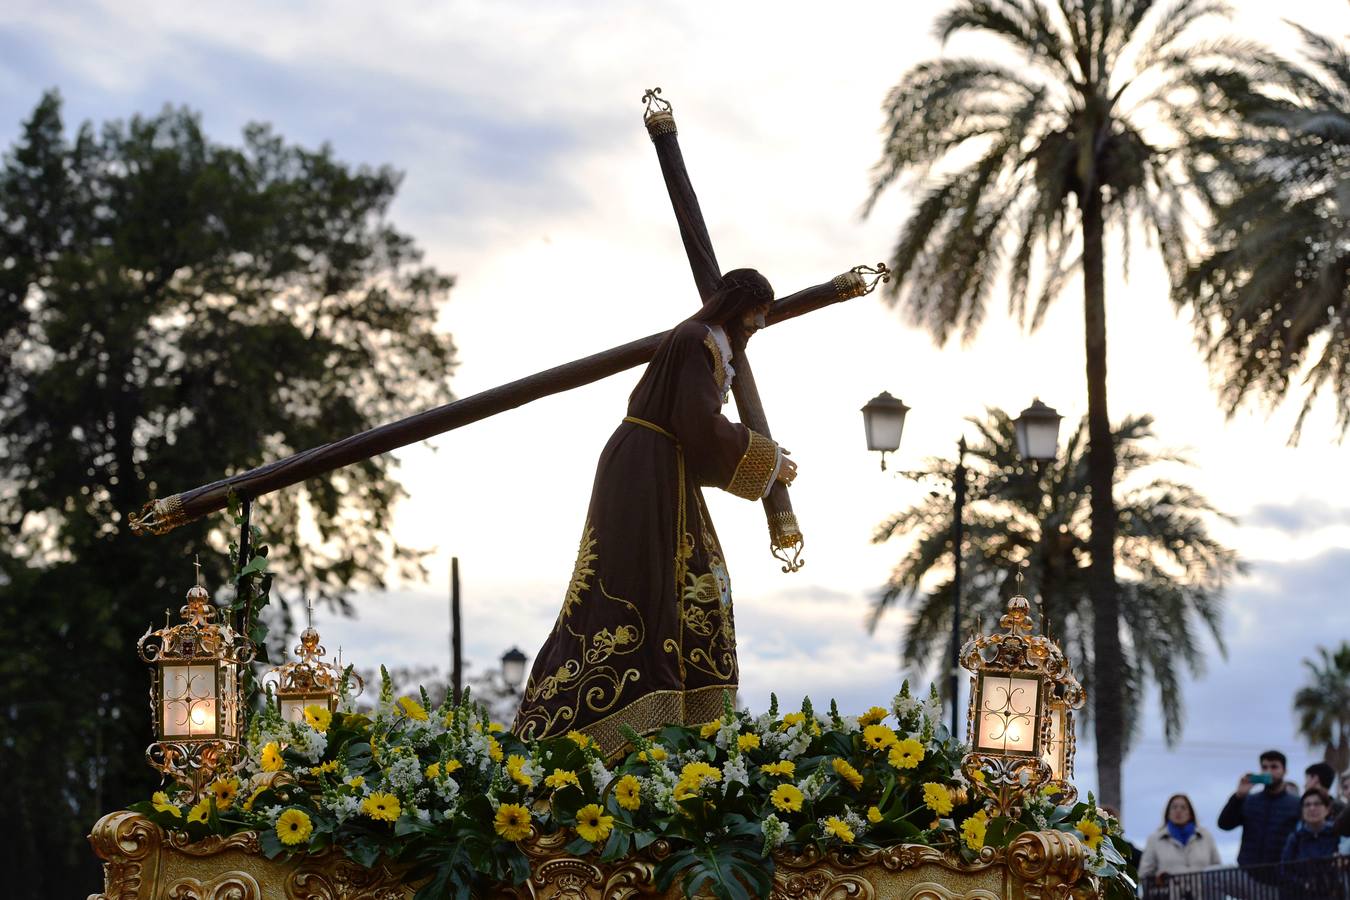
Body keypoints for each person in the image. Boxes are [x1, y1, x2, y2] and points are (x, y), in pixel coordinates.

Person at [512, 269, 796, 756]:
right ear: (736, 306)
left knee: (689, 583)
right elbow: (697, 425)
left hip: (662, 469)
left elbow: (697, 437)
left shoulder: (707, 344)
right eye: (755, 315)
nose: (757, 327)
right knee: (634, 587)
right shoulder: (696, 339)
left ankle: (679, 712)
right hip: (644, 471)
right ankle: (607, 715)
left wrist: (760, 463)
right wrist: (765, 458)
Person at [1217, 750, 1301, 886]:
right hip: (1249, 875)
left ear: (1284, 771)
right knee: (1212, 875)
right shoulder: (1249, 800)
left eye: (1274, 767)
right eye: (1264, 767)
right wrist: (1238, 796)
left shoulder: (1297, 804)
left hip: (1281, 879)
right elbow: (1224, 824)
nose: (1268, 771)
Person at [1139, 794, 1221, 898]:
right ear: (1168, 813)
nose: (1178, 810)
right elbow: (1144, 873)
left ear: (1190, 813)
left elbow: (1216, 868)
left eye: (1183, 807)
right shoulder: (1155, 839)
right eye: (1174, 807)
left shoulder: (1205, 837)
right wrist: (1158, 878)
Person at [1279, 788, 1341, 899]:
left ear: (1327, 809)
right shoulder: (1295, 838)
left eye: (1317, 804)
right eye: (1307, 805)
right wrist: (1304, 884)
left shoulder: (1337, 833)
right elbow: (1285, 871)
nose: (1312, 808)